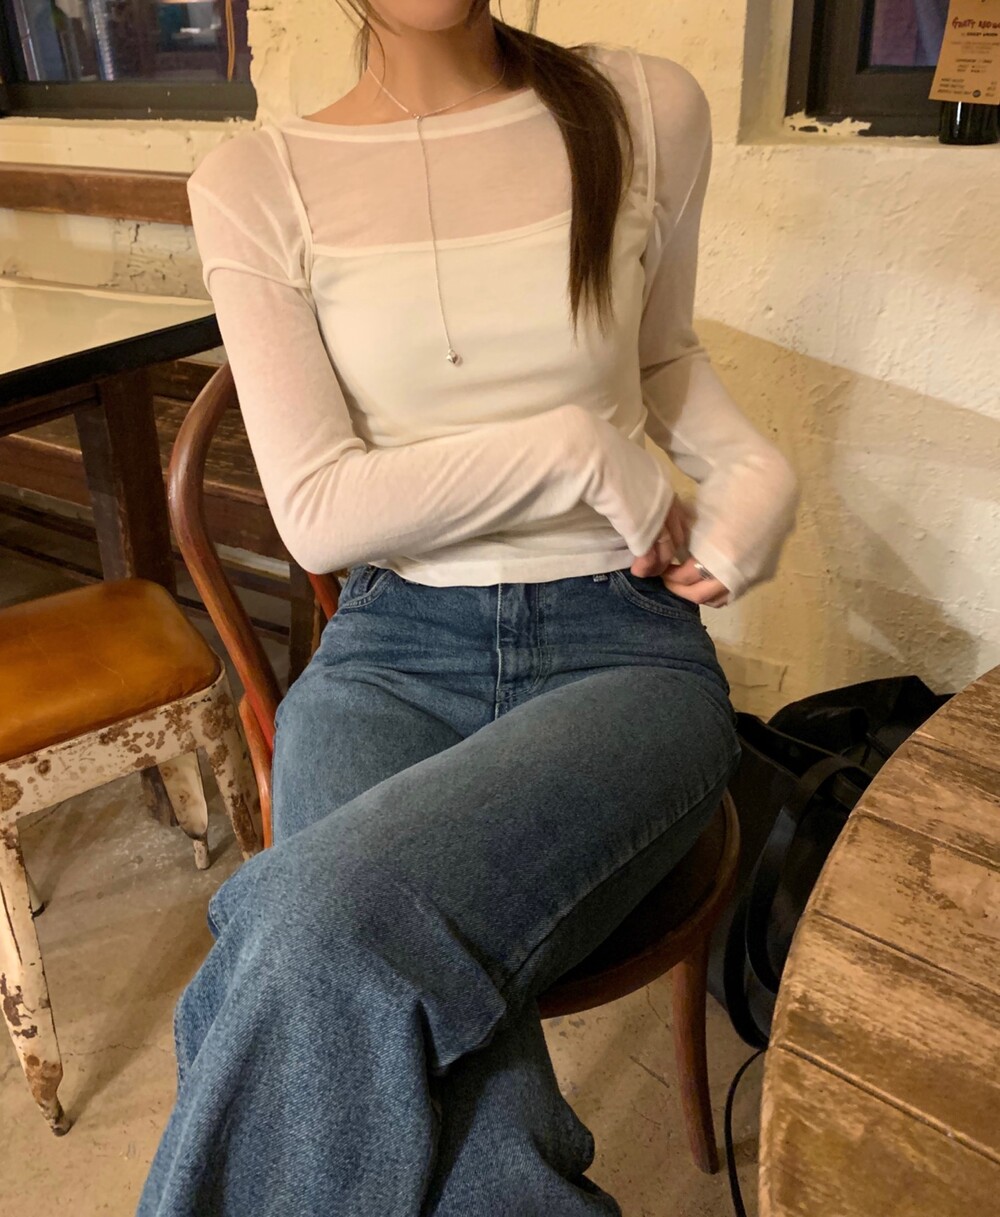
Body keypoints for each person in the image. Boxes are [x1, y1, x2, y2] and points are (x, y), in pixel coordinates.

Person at [138, 2, 798, 1213]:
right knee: (333, 947)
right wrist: (573, 451)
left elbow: (659, 356)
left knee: (304, 926)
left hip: (622, 645)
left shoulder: (643, 108)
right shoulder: (254, 182)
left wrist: (757, 472)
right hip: (391, 650)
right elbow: (320, 512)